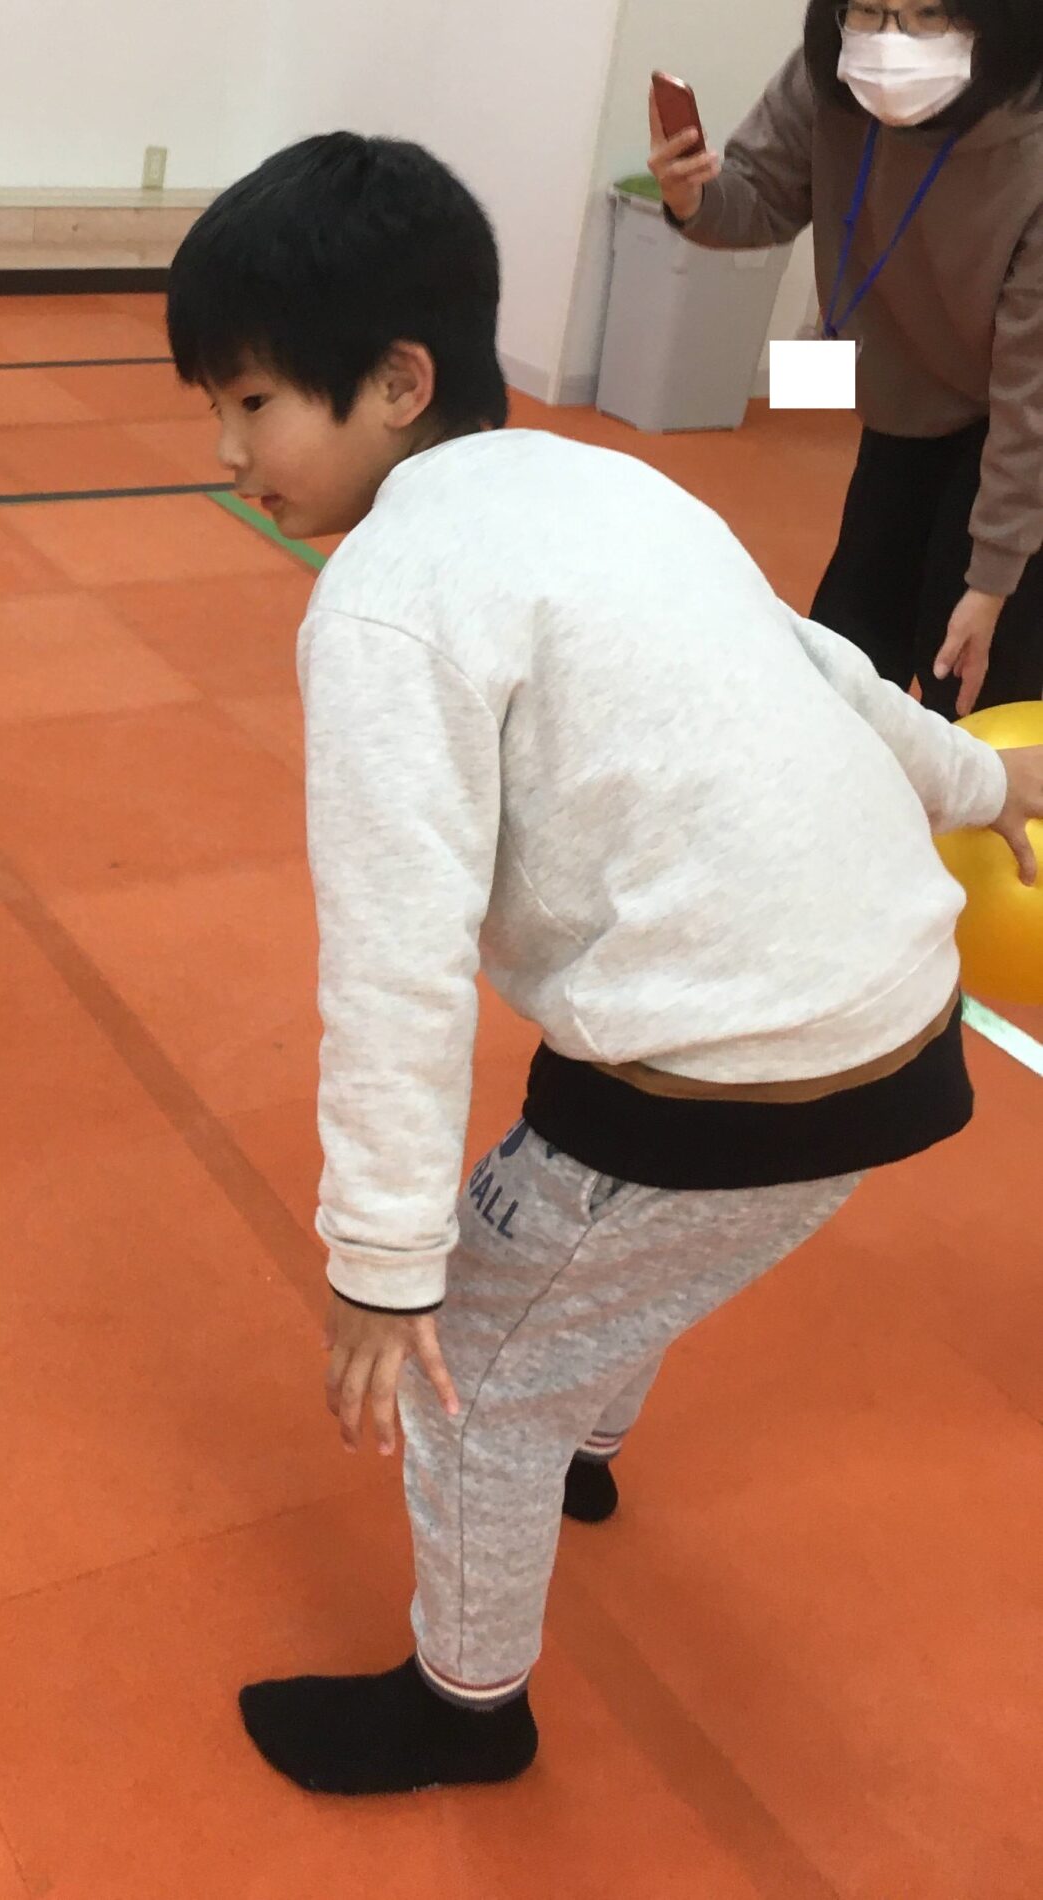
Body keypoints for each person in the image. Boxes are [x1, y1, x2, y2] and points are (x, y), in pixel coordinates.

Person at [166, 133, 1043, 1800]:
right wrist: (982, 784)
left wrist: (386, 1261)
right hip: (893, 1015)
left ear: (398, 381)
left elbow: (398, 953)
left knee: (476, 1371)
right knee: (605, 1226)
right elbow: (824, 668)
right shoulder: (609, 480)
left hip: (730, 1070)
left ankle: (464, 1709)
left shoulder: (387, 603)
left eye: (254, 403)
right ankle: (584, 1446)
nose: (226, 450)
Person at [648, 0, 1043, 721]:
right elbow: (759, 199)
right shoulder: (832, 70)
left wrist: (991, 584)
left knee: (970, 667)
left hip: (1016, 415)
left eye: (928, 15)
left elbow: (1030, 400)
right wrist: (692, 197)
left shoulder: (1028, 145)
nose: (892, 42)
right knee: (849, 645)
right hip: (902, 392)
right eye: (869, 10)